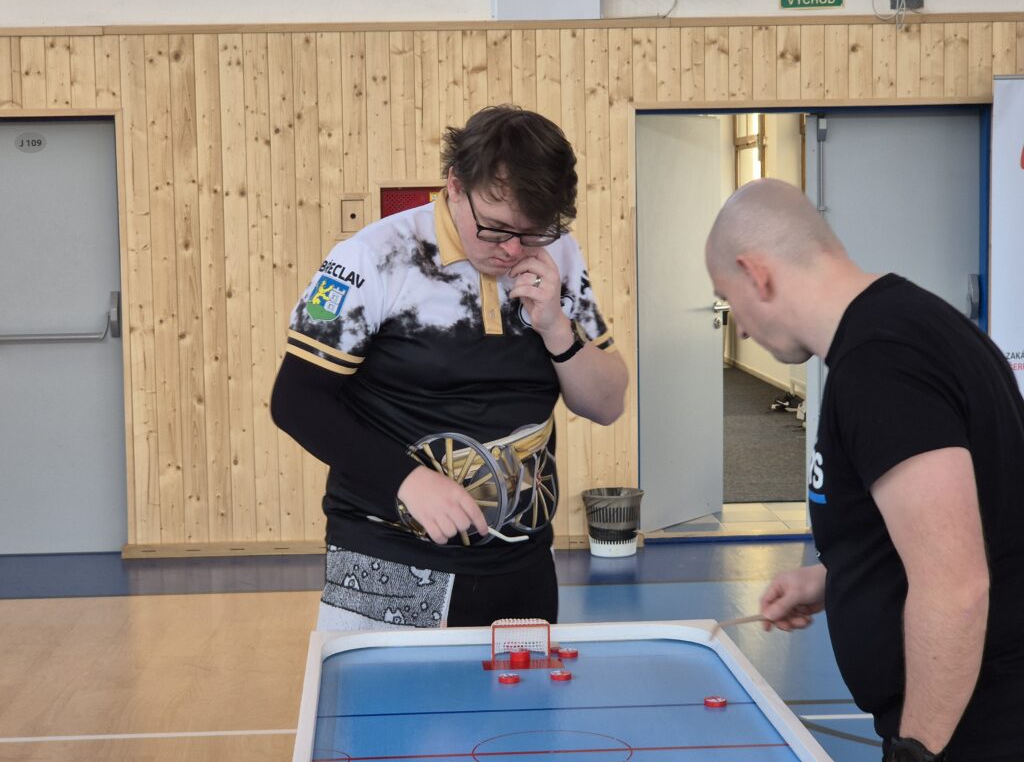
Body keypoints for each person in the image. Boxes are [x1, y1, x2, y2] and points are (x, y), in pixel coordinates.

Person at [271, 105, 628, 632]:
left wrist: (556, 325)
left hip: (522, 564)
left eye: (532, 232)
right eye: (496, 229)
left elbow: (607, 404)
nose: (512, 250)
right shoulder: (372, 256)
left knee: (520, 692)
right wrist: (405, 481)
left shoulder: (559, 255)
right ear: (455, 186)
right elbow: (296, 401)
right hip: (388, 560)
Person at [704, 178, 1024, 762]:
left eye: (729, 297)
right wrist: (837, 580)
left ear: (757, 274)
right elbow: (963, 526)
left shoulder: (882, 364)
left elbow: (956, 586)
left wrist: (915, 752)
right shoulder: (912, 327)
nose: (741, 328)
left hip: (973, 732)